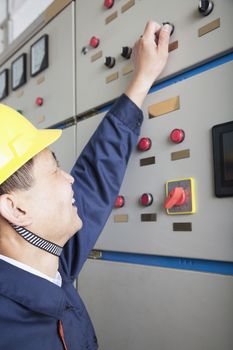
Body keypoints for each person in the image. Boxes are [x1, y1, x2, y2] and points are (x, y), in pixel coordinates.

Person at [0, 21, 172, 349]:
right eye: (55, 171)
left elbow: (93, 182)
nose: (69, 179)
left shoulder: (43, 267)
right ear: (15, 207)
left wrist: (141, 80)